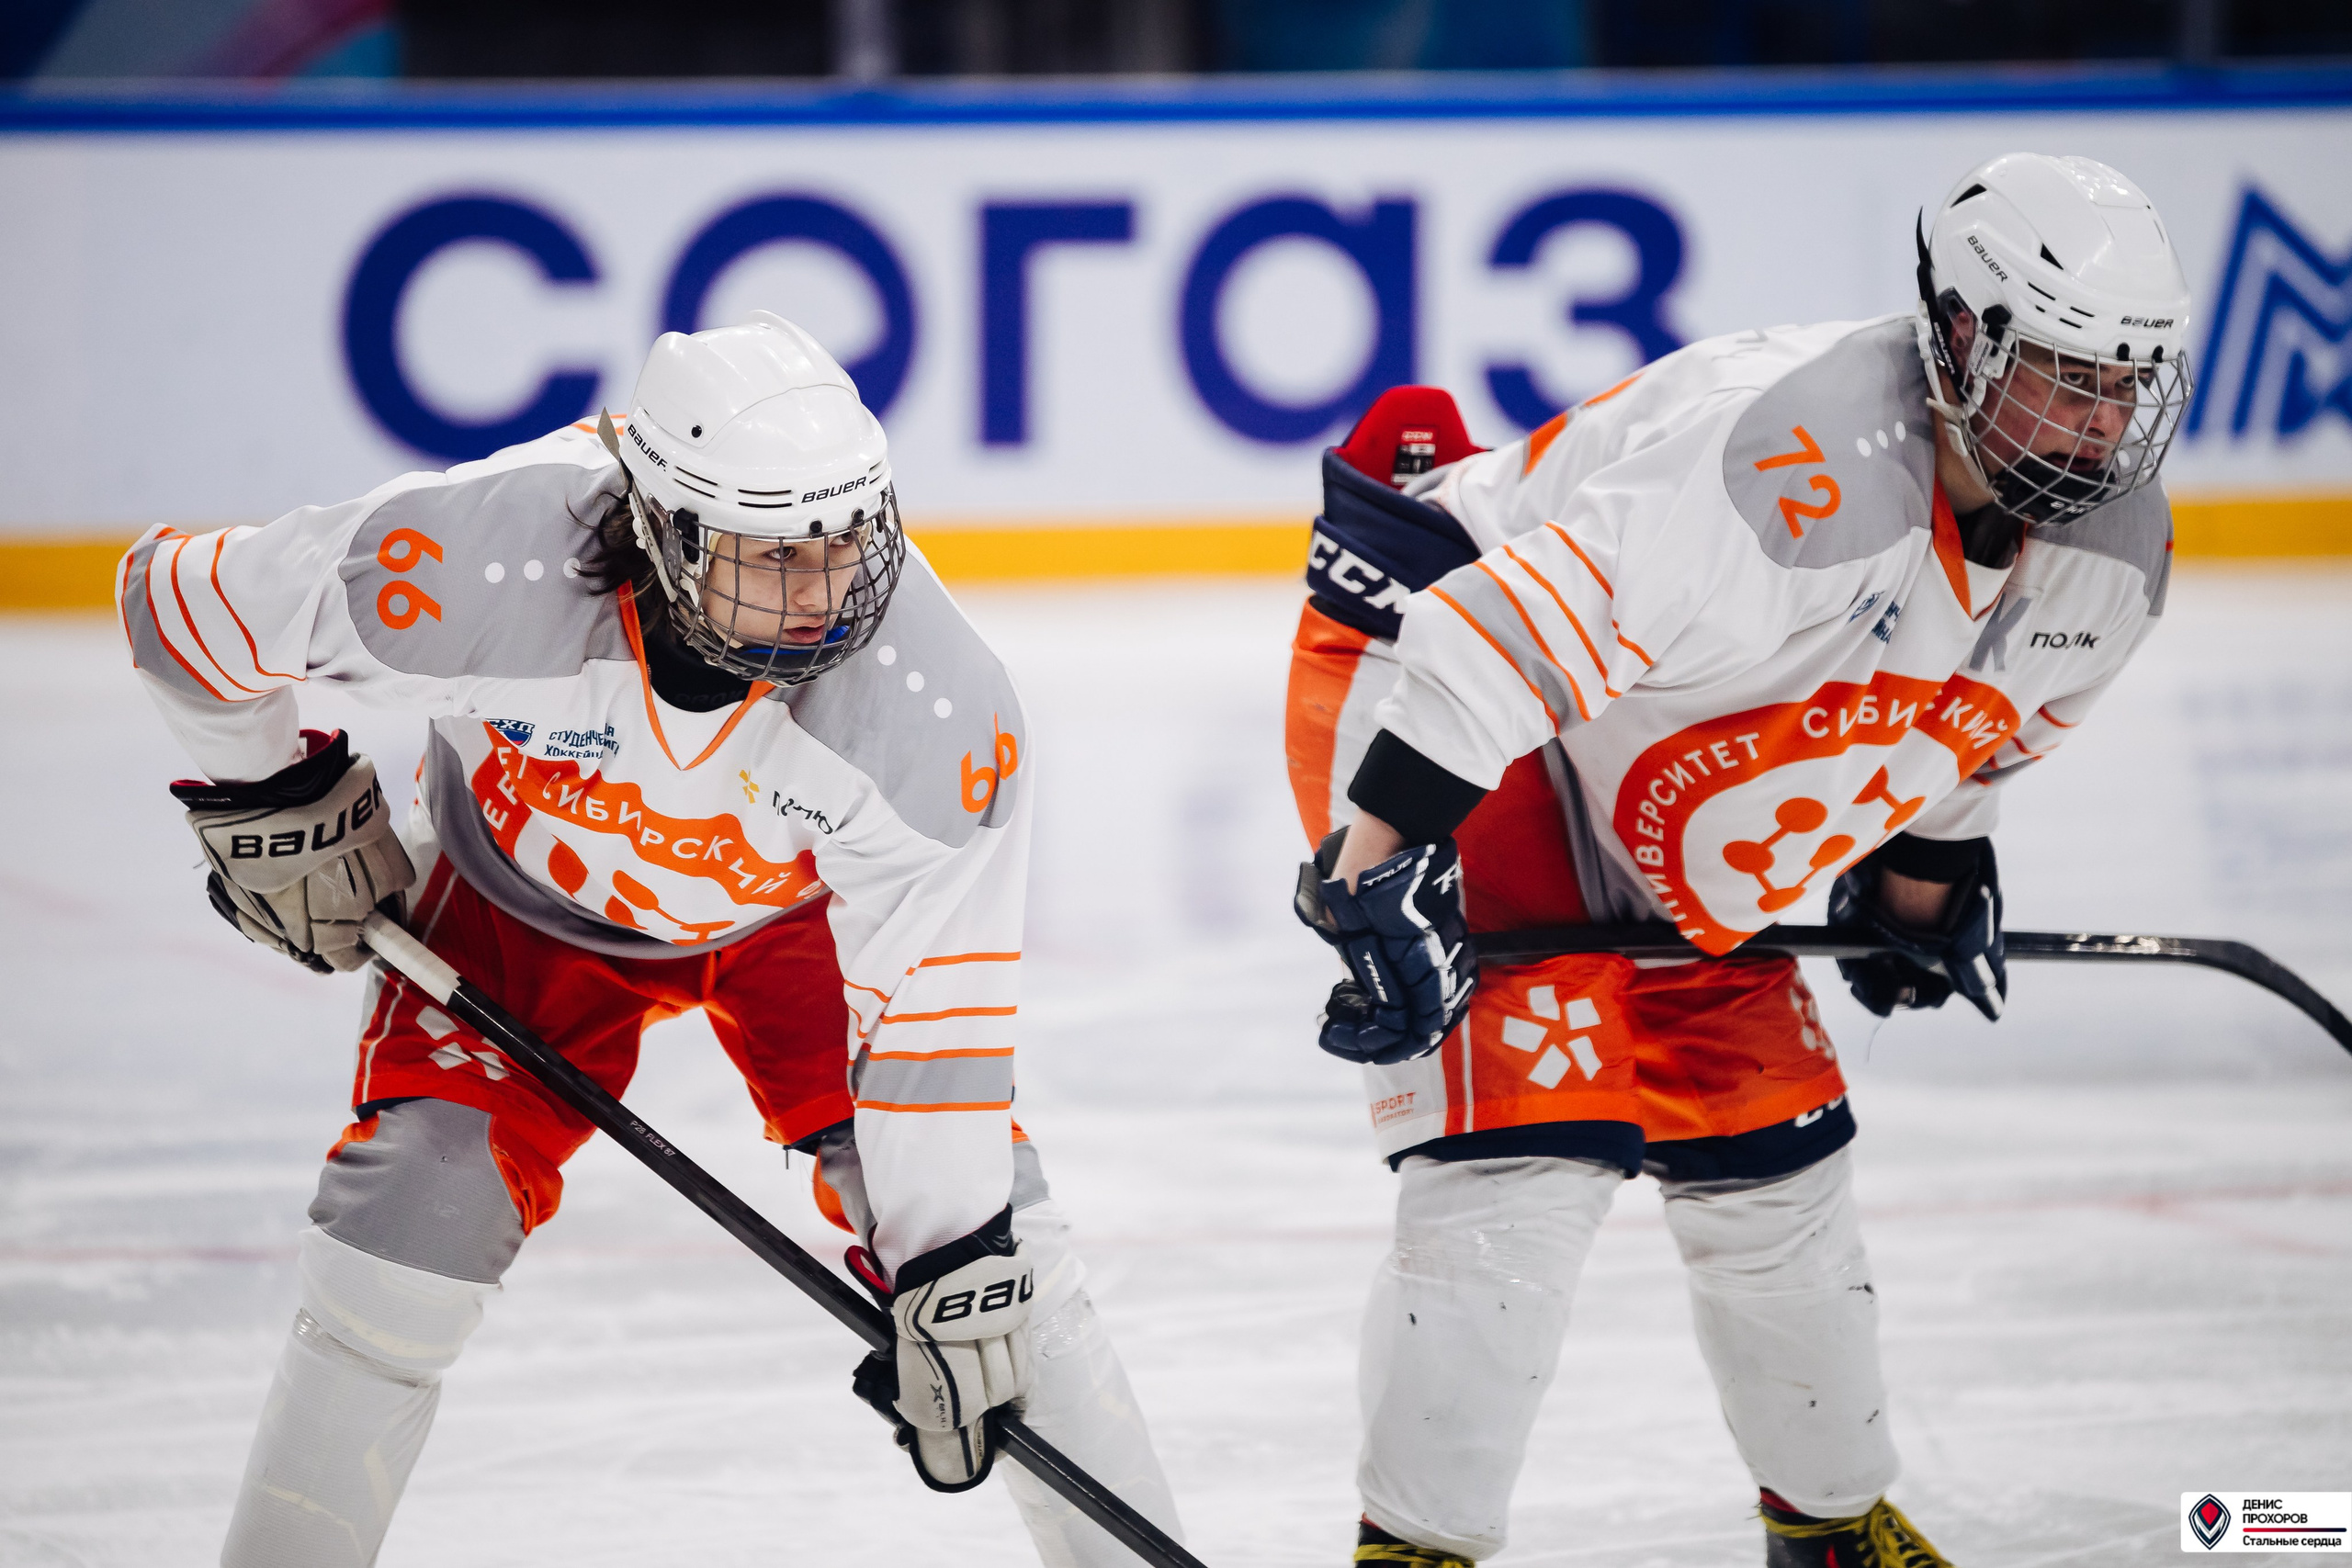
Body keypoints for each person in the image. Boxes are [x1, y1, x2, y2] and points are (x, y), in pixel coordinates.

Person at [119, 311, 1182, 1568]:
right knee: (412, 1218)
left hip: (796, 933)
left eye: (845, 540)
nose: (823, 589)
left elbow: (933, 1037)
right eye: (769, 552)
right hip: (517, 914)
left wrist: (954, 1258)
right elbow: (177, 607)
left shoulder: (933, 714)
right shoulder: (466, 565)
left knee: (1005, 1283)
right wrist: (271, 789)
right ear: (665, 530)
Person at [1284, 153, 2193, 1567]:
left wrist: (1921, 886)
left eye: (2124, 386)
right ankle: (1413, 1553)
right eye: (2062, 375)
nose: (2097, 428)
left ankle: (1833, 1531)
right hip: (1451, 693)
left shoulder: (2119, 555)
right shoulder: (1797, 471)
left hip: (1659, 754)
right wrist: (1378, 867)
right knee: (1524, 1154)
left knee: (1773, 1165)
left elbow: (1966, 734)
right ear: (1959, 335)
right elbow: (1489, 642)